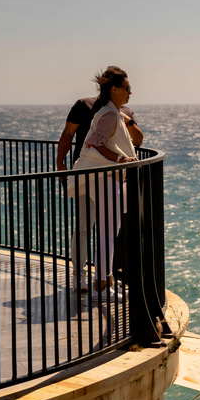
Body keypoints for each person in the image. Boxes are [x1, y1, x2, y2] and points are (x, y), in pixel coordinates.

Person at [61, 66, 143, 297]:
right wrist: (120, 159)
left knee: (109, 230)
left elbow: (135, 138)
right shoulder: (108, 114)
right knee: (107, 232)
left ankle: (104, 281)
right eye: (127, 88)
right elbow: (95, 143)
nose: (130, 93)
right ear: (115, 90)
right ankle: (101, 285)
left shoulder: (112, 113)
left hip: (106, 177)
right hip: (105, 178)